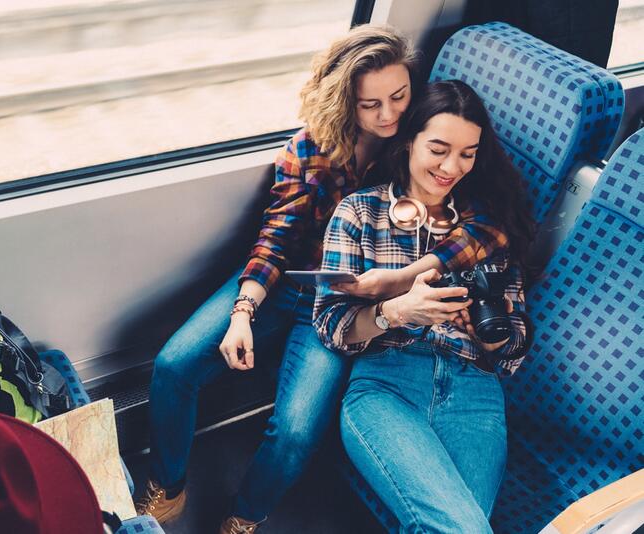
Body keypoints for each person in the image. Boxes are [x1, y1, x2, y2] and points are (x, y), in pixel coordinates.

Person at [135, 26, 507, 534]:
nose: (389, 115)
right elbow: (275, 239)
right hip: (287, 282)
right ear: (343, 102)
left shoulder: (421, 149)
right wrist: (243, 311)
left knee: (295, 430)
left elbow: (482, 228)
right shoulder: (308, 151)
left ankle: (245, 516)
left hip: (341, 304)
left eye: (399, 97)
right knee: (175, 364)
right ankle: (168, 482)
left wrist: (393, 280)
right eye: (370, 104)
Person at [314, 79, 535, 533]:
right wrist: (395, 312)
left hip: (475, 392)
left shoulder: (489, 225)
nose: (452, 166)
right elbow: (331, 324)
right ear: (410, 138)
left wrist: (483, 330)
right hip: (388, 384)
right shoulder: (360, 213)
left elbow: (514, 348)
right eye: (439, 148)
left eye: (467, 154)